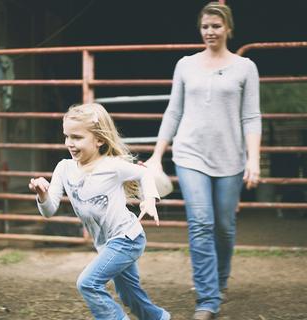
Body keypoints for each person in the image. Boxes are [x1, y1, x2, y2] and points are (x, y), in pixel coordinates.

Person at [144, 2, 262, 319]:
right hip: (189, 154)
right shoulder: (185, 65)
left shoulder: (245, 67)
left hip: (230, 158)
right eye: (205, 26)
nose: (210, 32)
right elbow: (174, 111)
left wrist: (254, 159)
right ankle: (207, 300)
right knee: (200, 224)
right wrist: (157, 155)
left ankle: (219, 280)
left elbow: (251, 117)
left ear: (228, 29)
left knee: (223, 227)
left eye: (216, 26)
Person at [29, 103, 171, 320]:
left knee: (88, 283)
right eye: (67, 136)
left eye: (77, 137)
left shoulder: (111, 166)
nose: (70, 143)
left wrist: (150, 199)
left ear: (99, 140)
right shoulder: (64, 168)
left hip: (127, 238)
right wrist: (42, 194)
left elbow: (144, 174)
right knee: (129, 294)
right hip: (106, 244)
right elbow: (49, 211)